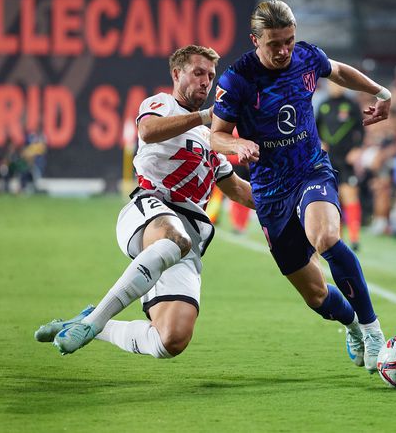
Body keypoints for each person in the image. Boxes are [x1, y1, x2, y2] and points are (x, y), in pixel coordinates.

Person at [34, 45, 255, 358]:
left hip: (187, 240)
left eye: (210, 75)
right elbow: (147, 131)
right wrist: (206, 115)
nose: (206, 82)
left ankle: (90, 321)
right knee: (174, 238)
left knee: (171, 340)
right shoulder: (161, 104)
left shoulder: (211, 139)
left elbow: (238, 190)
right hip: (149, 209)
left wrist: (289, 199)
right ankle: (96, 322)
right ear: (177, 74)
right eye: (198, 73)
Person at [210, 0, 390, 373]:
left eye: (289, 41)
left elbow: (338, 71)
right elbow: (216, 136)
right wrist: (236, 144)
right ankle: (352, 326)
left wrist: (381, 93)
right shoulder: (237, 79)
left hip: (310, 170)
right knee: (315, 294)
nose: (283, 51)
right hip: (270, 191)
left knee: (325, 237)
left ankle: (374, 331)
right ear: (254, 40)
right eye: (274, 43)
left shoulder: (307, 57)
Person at [316, 81, 365, 250]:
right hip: (329, 159)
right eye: (332, 83)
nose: (335, 86)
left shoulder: (351, 105)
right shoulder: (323, 105)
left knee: (350, 195)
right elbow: (314, 128)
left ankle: (355, 238)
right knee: (333, 199)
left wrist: (357, 149)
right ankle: (338, 237)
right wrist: (319, 142)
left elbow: (361, 128)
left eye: (338, 83)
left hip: (347, 158)